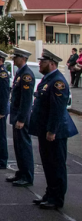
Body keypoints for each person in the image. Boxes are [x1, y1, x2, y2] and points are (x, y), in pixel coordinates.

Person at [30, 49, 78, 210]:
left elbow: (57, 109)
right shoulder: (48, 79)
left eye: (42, 62)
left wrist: (52, 130)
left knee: (56, 165)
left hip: (55, 132)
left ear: (51, 63)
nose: (39, 64)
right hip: (45, 129)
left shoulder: (58, 82)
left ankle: (57, 198)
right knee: (48, 164)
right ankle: (49, 193)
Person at [7, 47, 35, 186]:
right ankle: (21, 172)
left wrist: (22, 119)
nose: (13, 59)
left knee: (24, 146)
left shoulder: (26, 75)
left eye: (16, 57)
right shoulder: (20, 73)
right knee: (18, 146)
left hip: (21, 117)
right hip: (17, 115)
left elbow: (26, 100)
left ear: (23, 58)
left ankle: (27, 175)